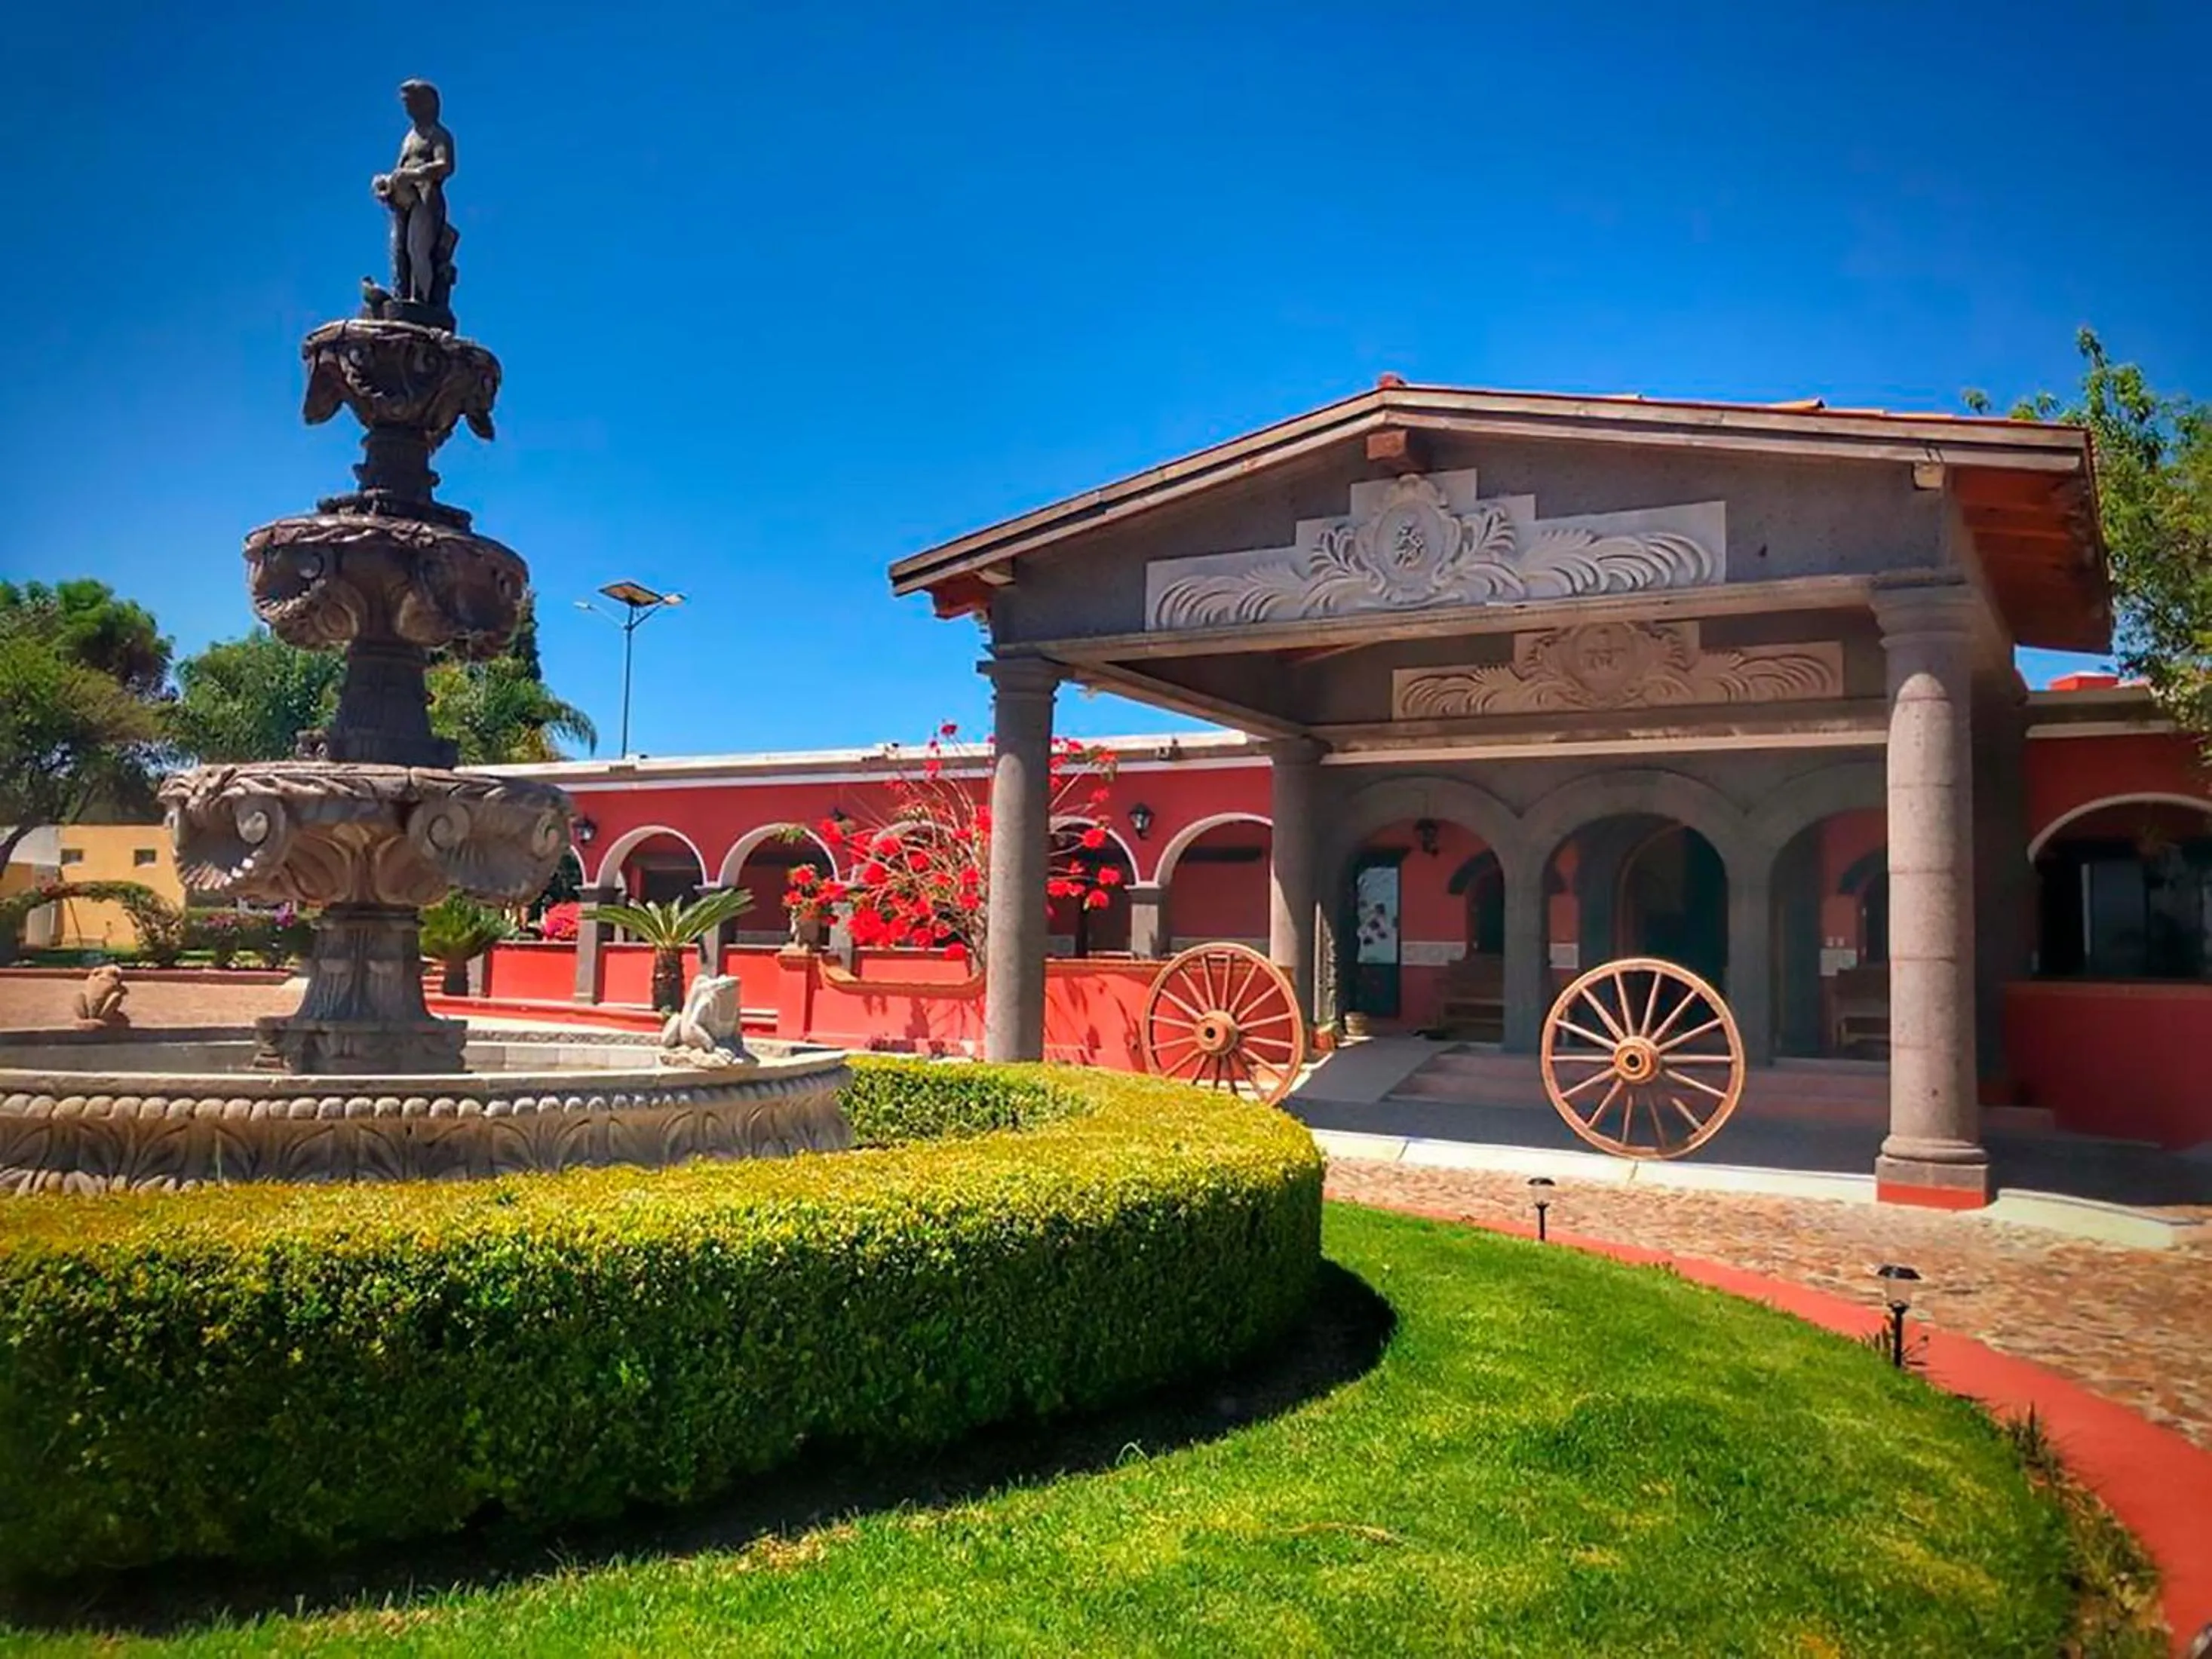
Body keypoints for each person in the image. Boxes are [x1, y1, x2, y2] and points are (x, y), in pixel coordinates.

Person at [372, 80, 456, 313]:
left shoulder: (437, 134)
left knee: (418, 248)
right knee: (398, 248)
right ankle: (402, 294)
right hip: (404, 198)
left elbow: (446, 165)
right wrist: (387, 181)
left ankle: (421, 300)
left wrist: (415, 174)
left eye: (412, 103)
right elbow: (402, 166)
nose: (408, 109)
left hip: (427, 195)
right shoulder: (410, 137)